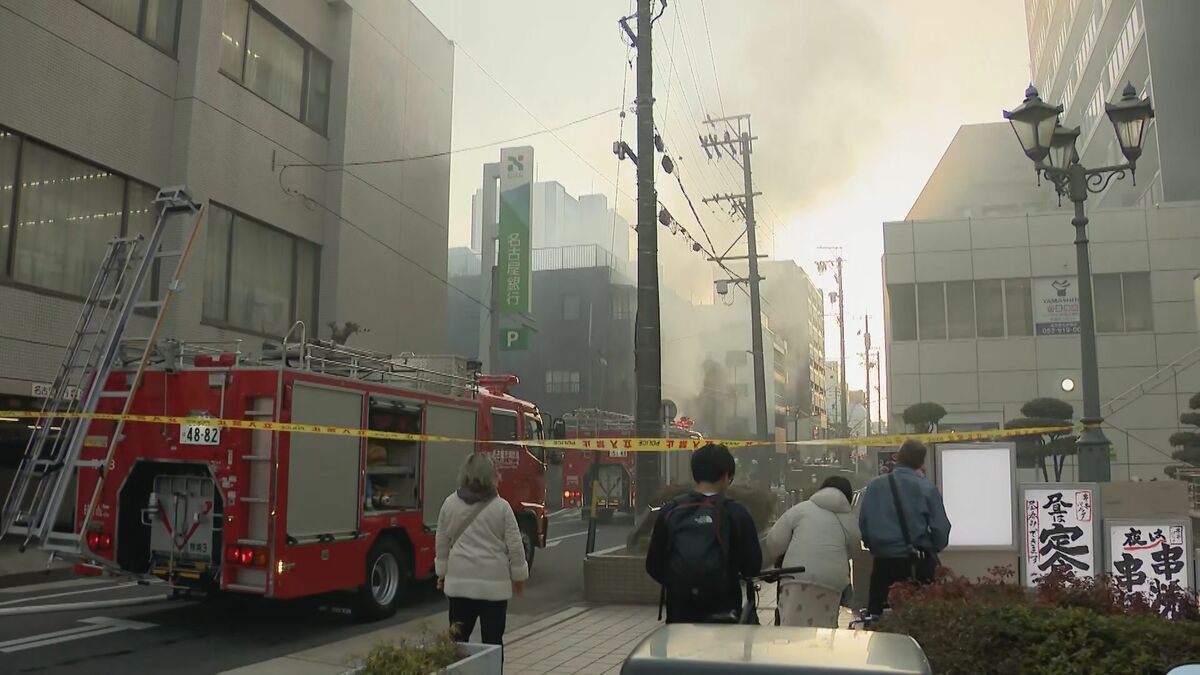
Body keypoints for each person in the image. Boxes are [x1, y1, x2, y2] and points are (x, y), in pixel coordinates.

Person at [645, 443, 762, 623]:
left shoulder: (671, 510)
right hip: (724, 610)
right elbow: (752, 566)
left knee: (682, 650)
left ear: (695, 473)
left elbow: (653, 565)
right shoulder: (736, 513)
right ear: (726, 476)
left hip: (680, 610)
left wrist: (681, 584)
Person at [435, 453, 528, 646]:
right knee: (492, 643)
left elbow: (442, 542)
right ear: (492, 475)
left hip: (459, 585)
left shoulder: (449, 503)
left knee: (458, 643)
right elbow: (516, 546)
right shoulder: (502, 507)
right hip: (493, 589)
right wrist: (518, 577)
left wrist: (442, 573)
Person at [858, 440, 951, 617]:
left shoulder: (875, 486)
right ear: (921, 462)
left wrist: (875, 546)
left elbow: (864, 523)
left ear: (898, 458)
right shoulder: (927, 489)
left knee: (879, 621)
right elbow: (941, 528)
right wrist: (931, 548)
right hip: (917, 563)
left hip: (883, 563)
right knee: (920, 619)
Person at [764, 475, 860, 628]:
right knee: (825, 630)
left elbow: (774, 541)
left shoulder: (800, 509)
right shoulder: (850, 520)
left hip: (795, 576)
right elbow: (854, 551)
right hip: (832, 582)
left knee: (791, 628)